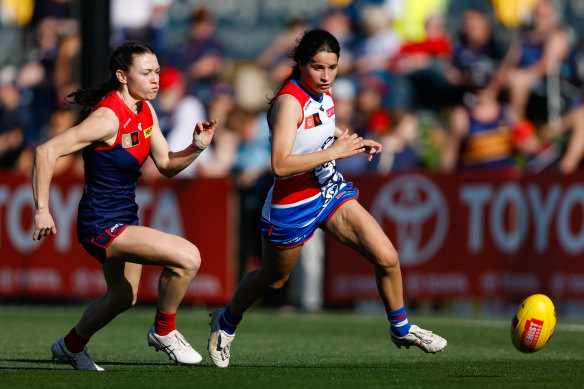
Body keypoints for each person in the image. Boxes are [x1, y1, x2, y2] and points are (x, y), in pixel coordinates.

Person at [207, 29, 447, 368]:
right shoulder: (288, 104)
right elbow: (279, 165)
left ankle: (401, 327)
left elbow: (322, 123)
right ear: (301, 64)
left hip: (329, 189)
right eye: (318, 67)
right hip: (292, 203)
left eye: (332, 67)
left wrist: (352, 140)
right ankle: (226, 323)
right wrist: (335, 151)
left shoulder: (325, 93)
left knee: (387, 257)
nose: (326, 75)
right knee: (273, 279)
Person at [32, 41, 218, 371]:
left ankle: (71, 346)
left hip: (123, 220)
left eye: (157, 71)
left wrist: (197, 147)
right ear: (122, 76)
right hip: (100, 225)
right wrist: (42, 209)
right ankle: (164, 331)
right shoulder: (106, 117)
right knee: (188, 257)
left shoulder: (145, 110)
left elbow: (166, 164)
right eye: (146, 73)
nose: (155, 79)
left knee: (123, 297)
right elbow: (45, 152)